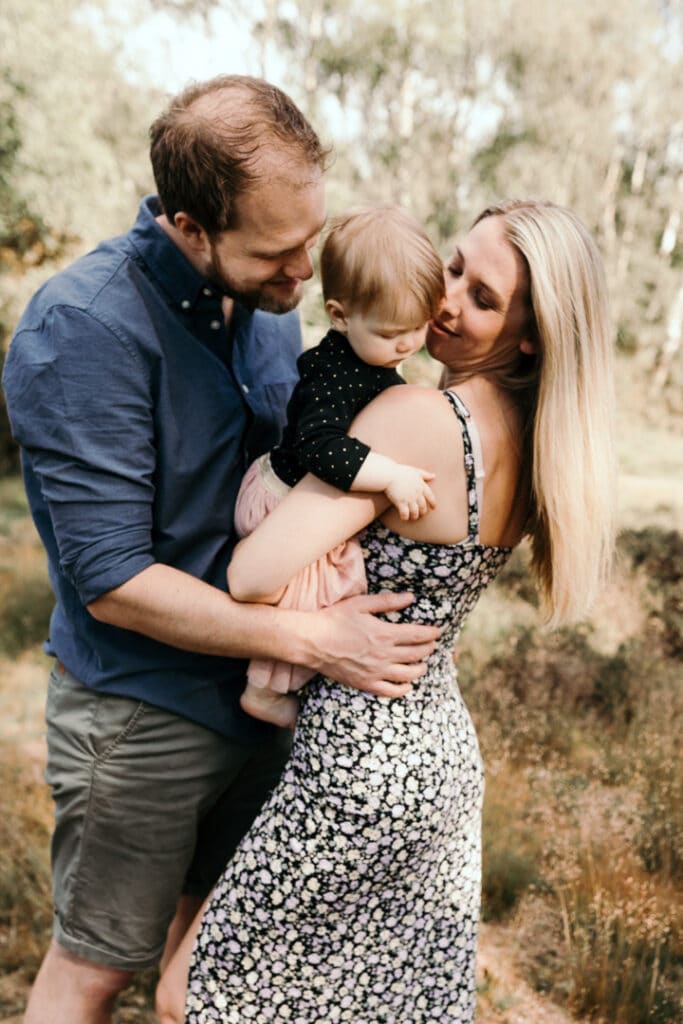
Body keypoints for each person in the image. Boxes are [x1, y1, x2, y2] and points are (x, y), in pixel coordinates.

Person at [0, 75, 441, 1024]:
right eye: (278, 254)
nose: (302, 277)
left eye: (309, 243)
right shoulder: (82, 330)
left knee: (208, 967)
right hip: (142, 714)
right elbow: (113, 583)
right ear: (191, 226)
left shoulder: (276, 305)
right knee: (96, 968)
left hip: (267, 708)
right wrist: (318, 642)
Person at [156, 198, 616, 1023]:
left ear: (529, 337)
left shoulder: (414, 419)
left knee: (192, 995)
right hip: (436, 759)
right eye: (454, 267)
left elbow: (254, 575)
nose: (446, 299)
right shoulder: (531, 439)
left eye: (482, 298)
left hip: (358, 761)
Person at [236, 204, 445, 729]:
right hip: (278, 494)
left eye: (418, 327)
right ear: (340, 314)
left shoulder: (371, 361)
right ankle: (263, 688)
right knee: (310, 595)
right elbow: (319, 447)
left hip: (295, 487)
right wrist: (390, 474)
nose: (408, 344)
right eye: (393, 331)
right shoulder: (336, 375)